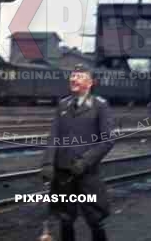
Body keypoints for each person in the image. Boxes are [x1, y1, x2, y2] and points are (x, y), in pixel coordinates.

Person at [41, 64, 115, 241]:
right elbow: (54, 136)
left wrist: (85, 161)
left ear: (90, 83)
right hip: (63, 173)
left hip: (87, 174)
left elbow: (107, 140)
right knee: (65, 219)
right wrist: (47, 163)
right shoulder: (63, 105)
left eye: (79, 76)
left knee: (95, 219)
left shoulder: (100, 106)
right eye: (73, 76)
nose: (74, 79)